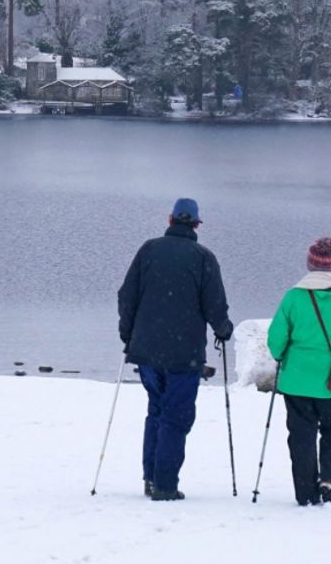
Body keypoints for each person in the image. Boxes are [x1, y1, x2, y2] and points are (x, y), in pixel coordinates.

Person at [117, 197, 233, 501]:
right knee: (176, 416)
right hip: (184, 354)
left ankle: (150, 478)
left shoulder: (149, 250)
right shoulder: (203, 258)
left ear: (170, 220)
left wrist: (127, 336)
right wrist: (224, 330)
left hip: (147, 351)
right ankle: (165, 485)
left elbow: (127, 295)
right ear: (196, 224)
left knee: (156, 410)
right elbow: (215, 306)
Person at [265, 237, 331, 506]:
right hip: (330, 382)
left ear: (309, 264)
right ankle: (329, 477)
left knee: (301, 435)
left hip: (295, 380)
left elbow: (276, 337)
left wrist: (281, 355)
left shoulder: (293, 296)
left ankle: (305, 493)